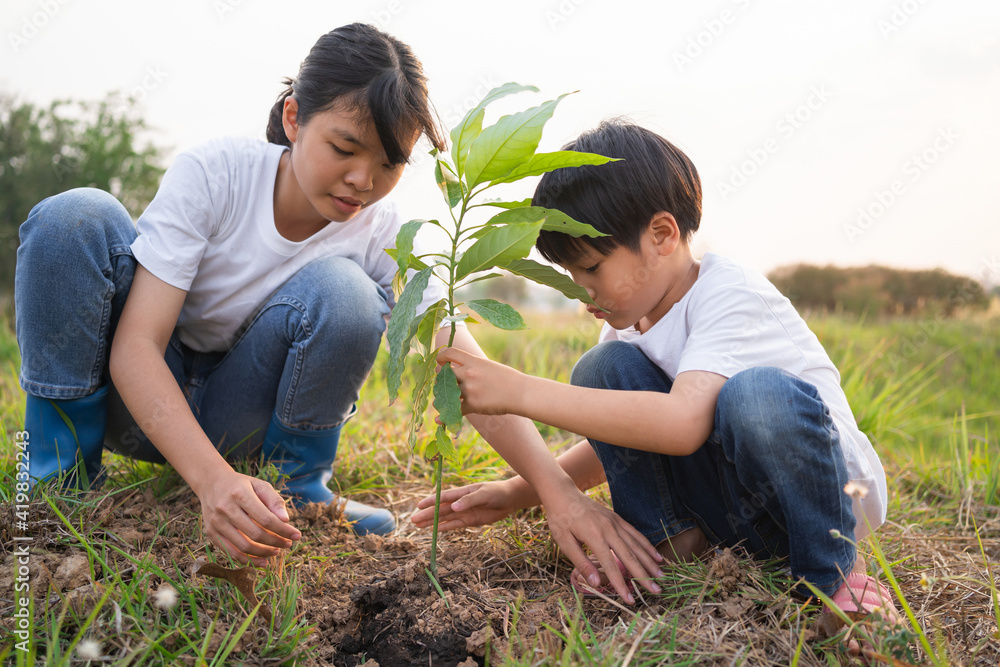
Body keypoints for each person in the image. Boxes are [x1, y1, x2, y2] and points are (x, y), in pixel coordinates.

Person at [16, 25, 665, 586]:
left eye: (389, 162)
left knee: (348, 291)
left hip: (234, 415)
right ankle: (61, 481)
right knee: (76, 217)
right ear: (295, 119)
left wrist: (555, 493)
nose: (364, 181)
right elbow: (135, 347)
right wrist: (211, 484)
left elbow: (457, 361)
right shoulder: (215, 176)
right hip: (131, 404)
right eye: (345, 149)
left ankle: (298, 496)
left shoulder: (380, 232)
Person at [414, 120, 901, 653]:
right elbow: (624, 433)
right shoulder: (630, 320)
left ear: (662, 235)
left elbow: (681, 425)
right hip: (733, 513)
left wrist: (521, 390)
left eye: (593, 268)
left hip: (810, 508)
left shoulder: (730, 295)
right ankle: (673, 548)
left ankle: (829, 582)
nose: (585, 293)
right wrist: (519, 492)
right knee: (603, 370)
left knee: (756, 395)